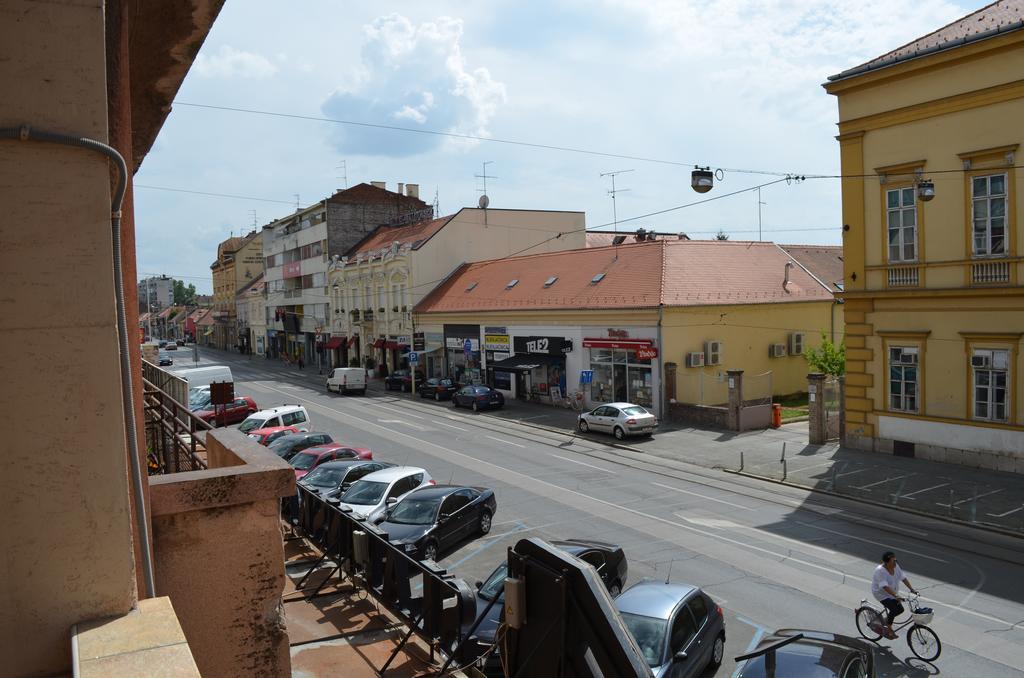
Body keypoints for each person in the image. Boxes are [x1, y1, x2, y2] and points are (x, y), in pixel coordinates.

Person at [871, 551, 918, 639]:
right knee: (893, 609)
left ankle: (884, 621)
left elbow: (903, 578)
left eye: (895, 560)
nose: (895, 563)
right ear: (887, 562)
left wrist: (912, 589)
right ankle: (889, 629)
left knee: (900, 609)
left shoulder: (896, 566)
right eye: (893, 561)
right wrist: (896, 595)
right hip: (880, 593)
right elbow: (884, 586)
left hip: (892, 592)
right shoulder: (880, 571)